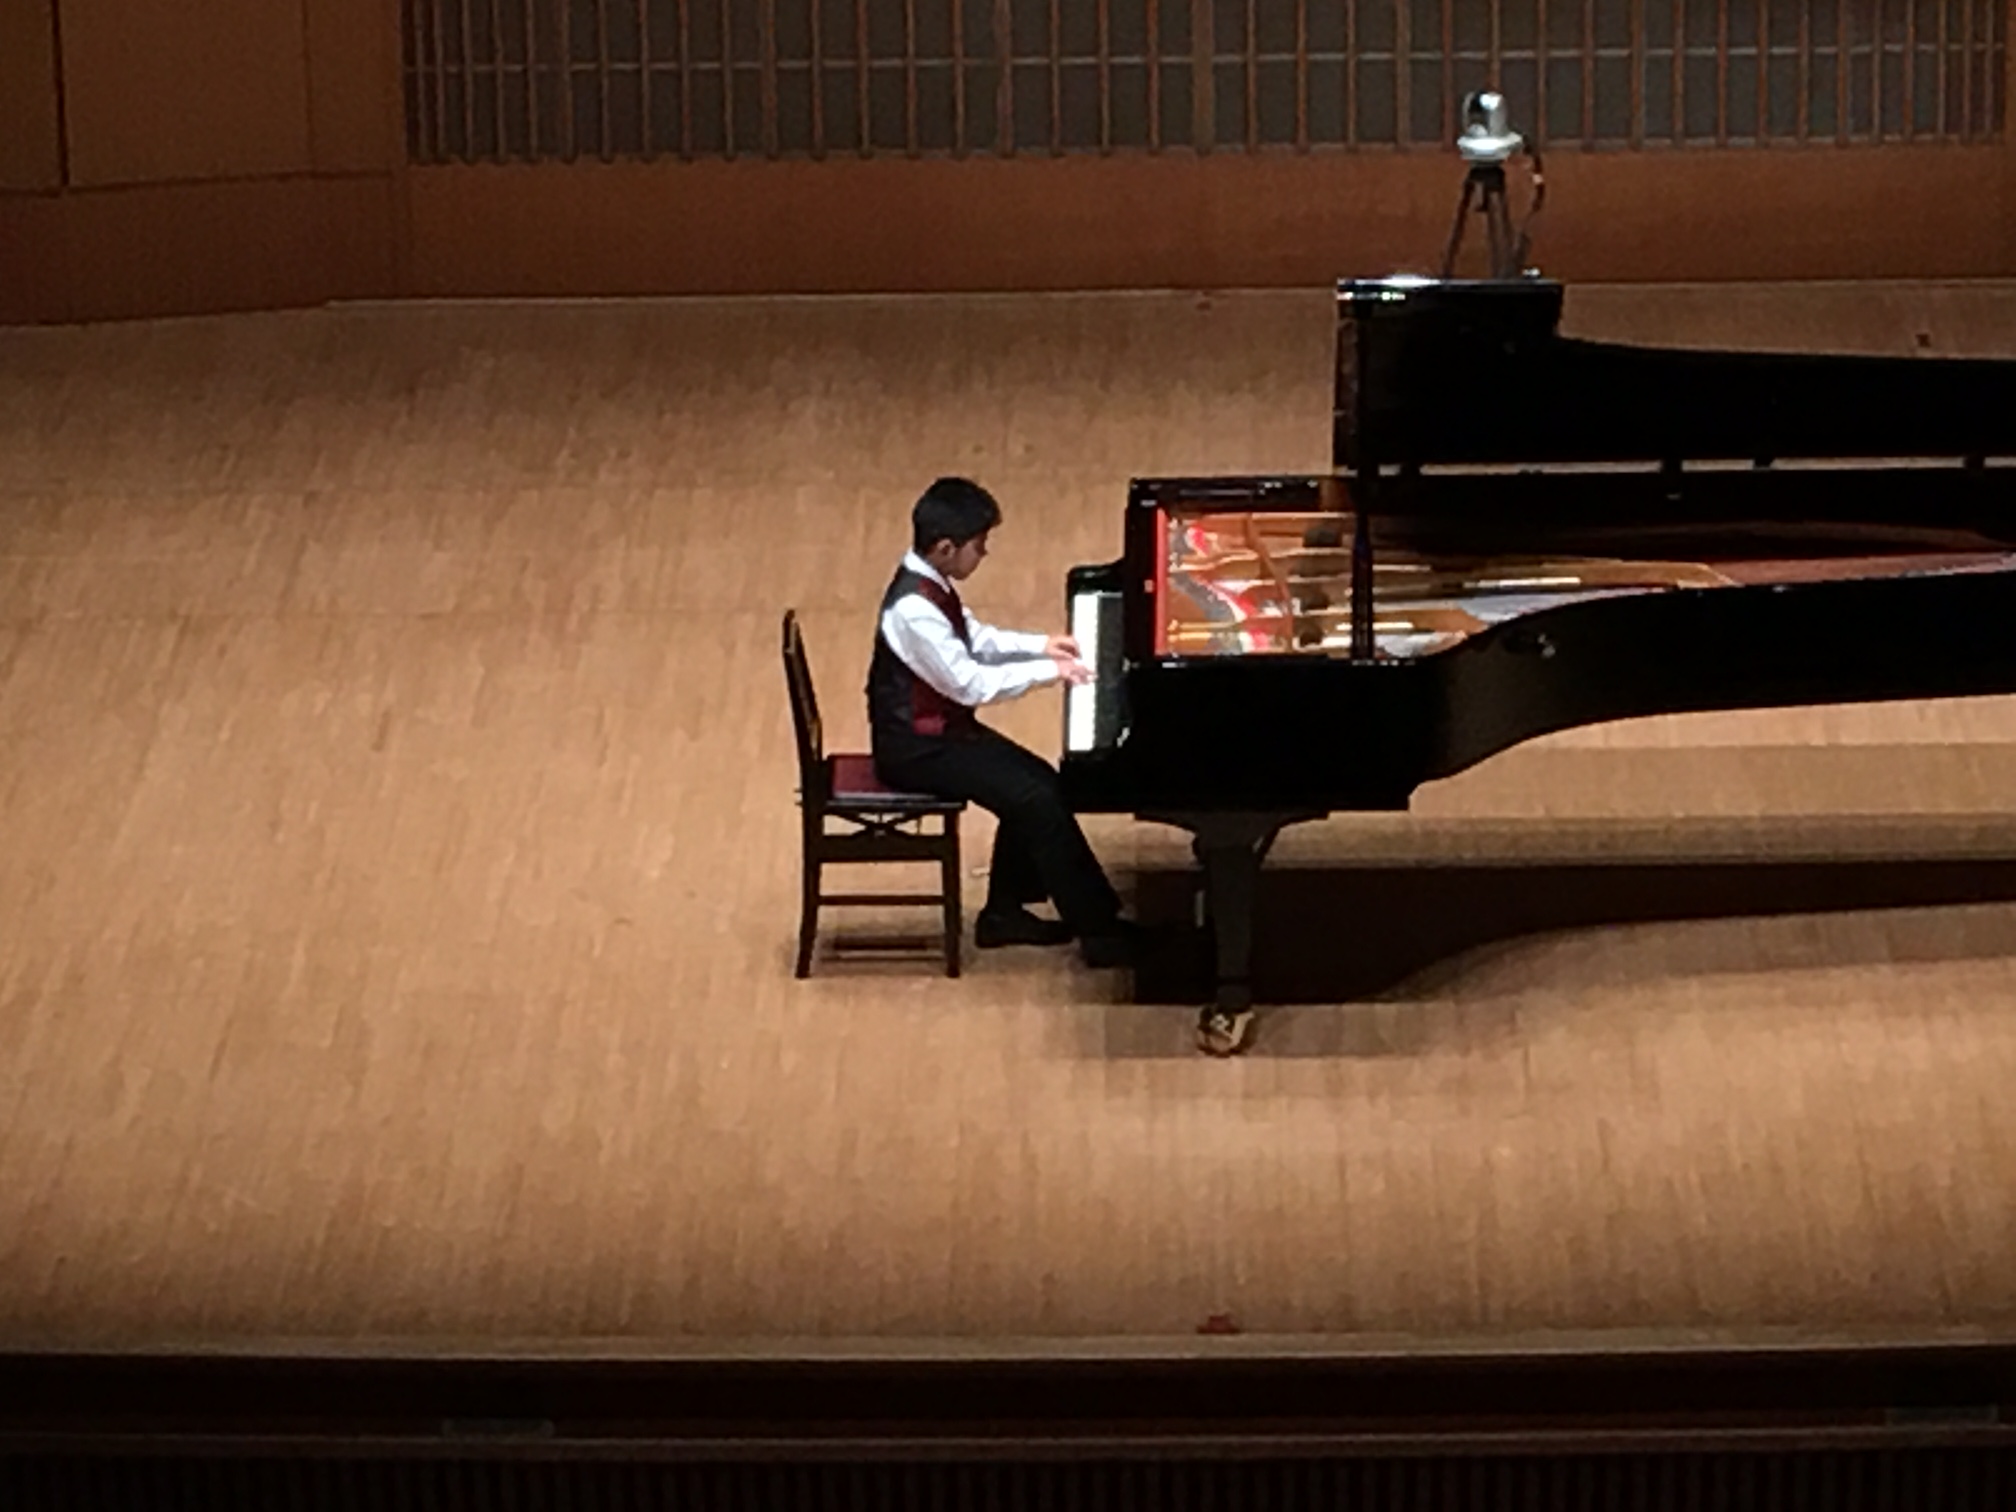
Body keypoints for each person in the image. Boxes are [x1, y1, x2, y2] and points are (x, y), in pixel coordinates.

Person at [868, 477, 1135, 967]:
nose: (984, 552)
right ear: (946, 548)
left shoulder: (931, 584)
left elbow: (974, 637)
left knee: (1039, 784)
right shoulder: (914, 611)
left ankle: (1005, 914)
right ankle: (1100, 932)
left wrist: (1041, 645)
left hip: (940, 731)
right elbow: (970, 684)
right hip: (916, 748)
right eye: (979, 544)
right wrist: (1050, 673)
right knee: (1033, 796)